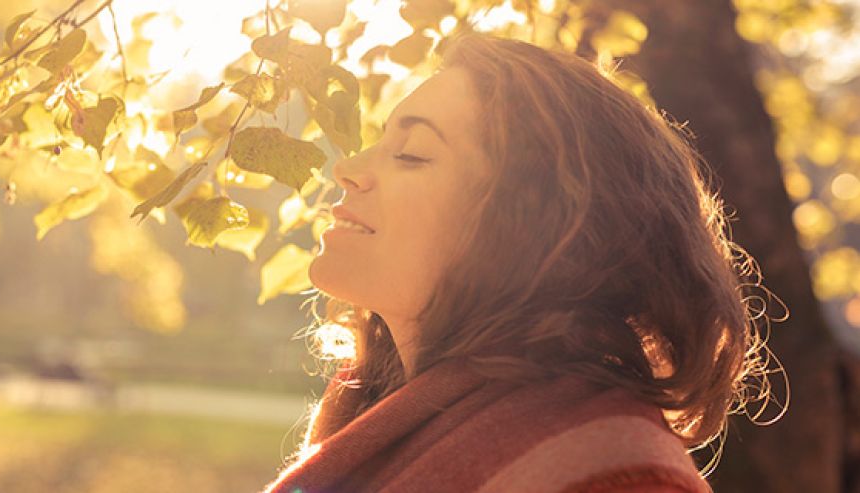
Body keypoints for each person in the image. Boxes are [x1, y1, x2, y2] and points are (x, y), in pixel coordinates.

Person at [261, 32, 784, 493]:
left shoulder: (614, 475)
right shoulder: (366, 425)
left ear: (534, 222)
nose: (348, 168)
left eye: (413, 153)